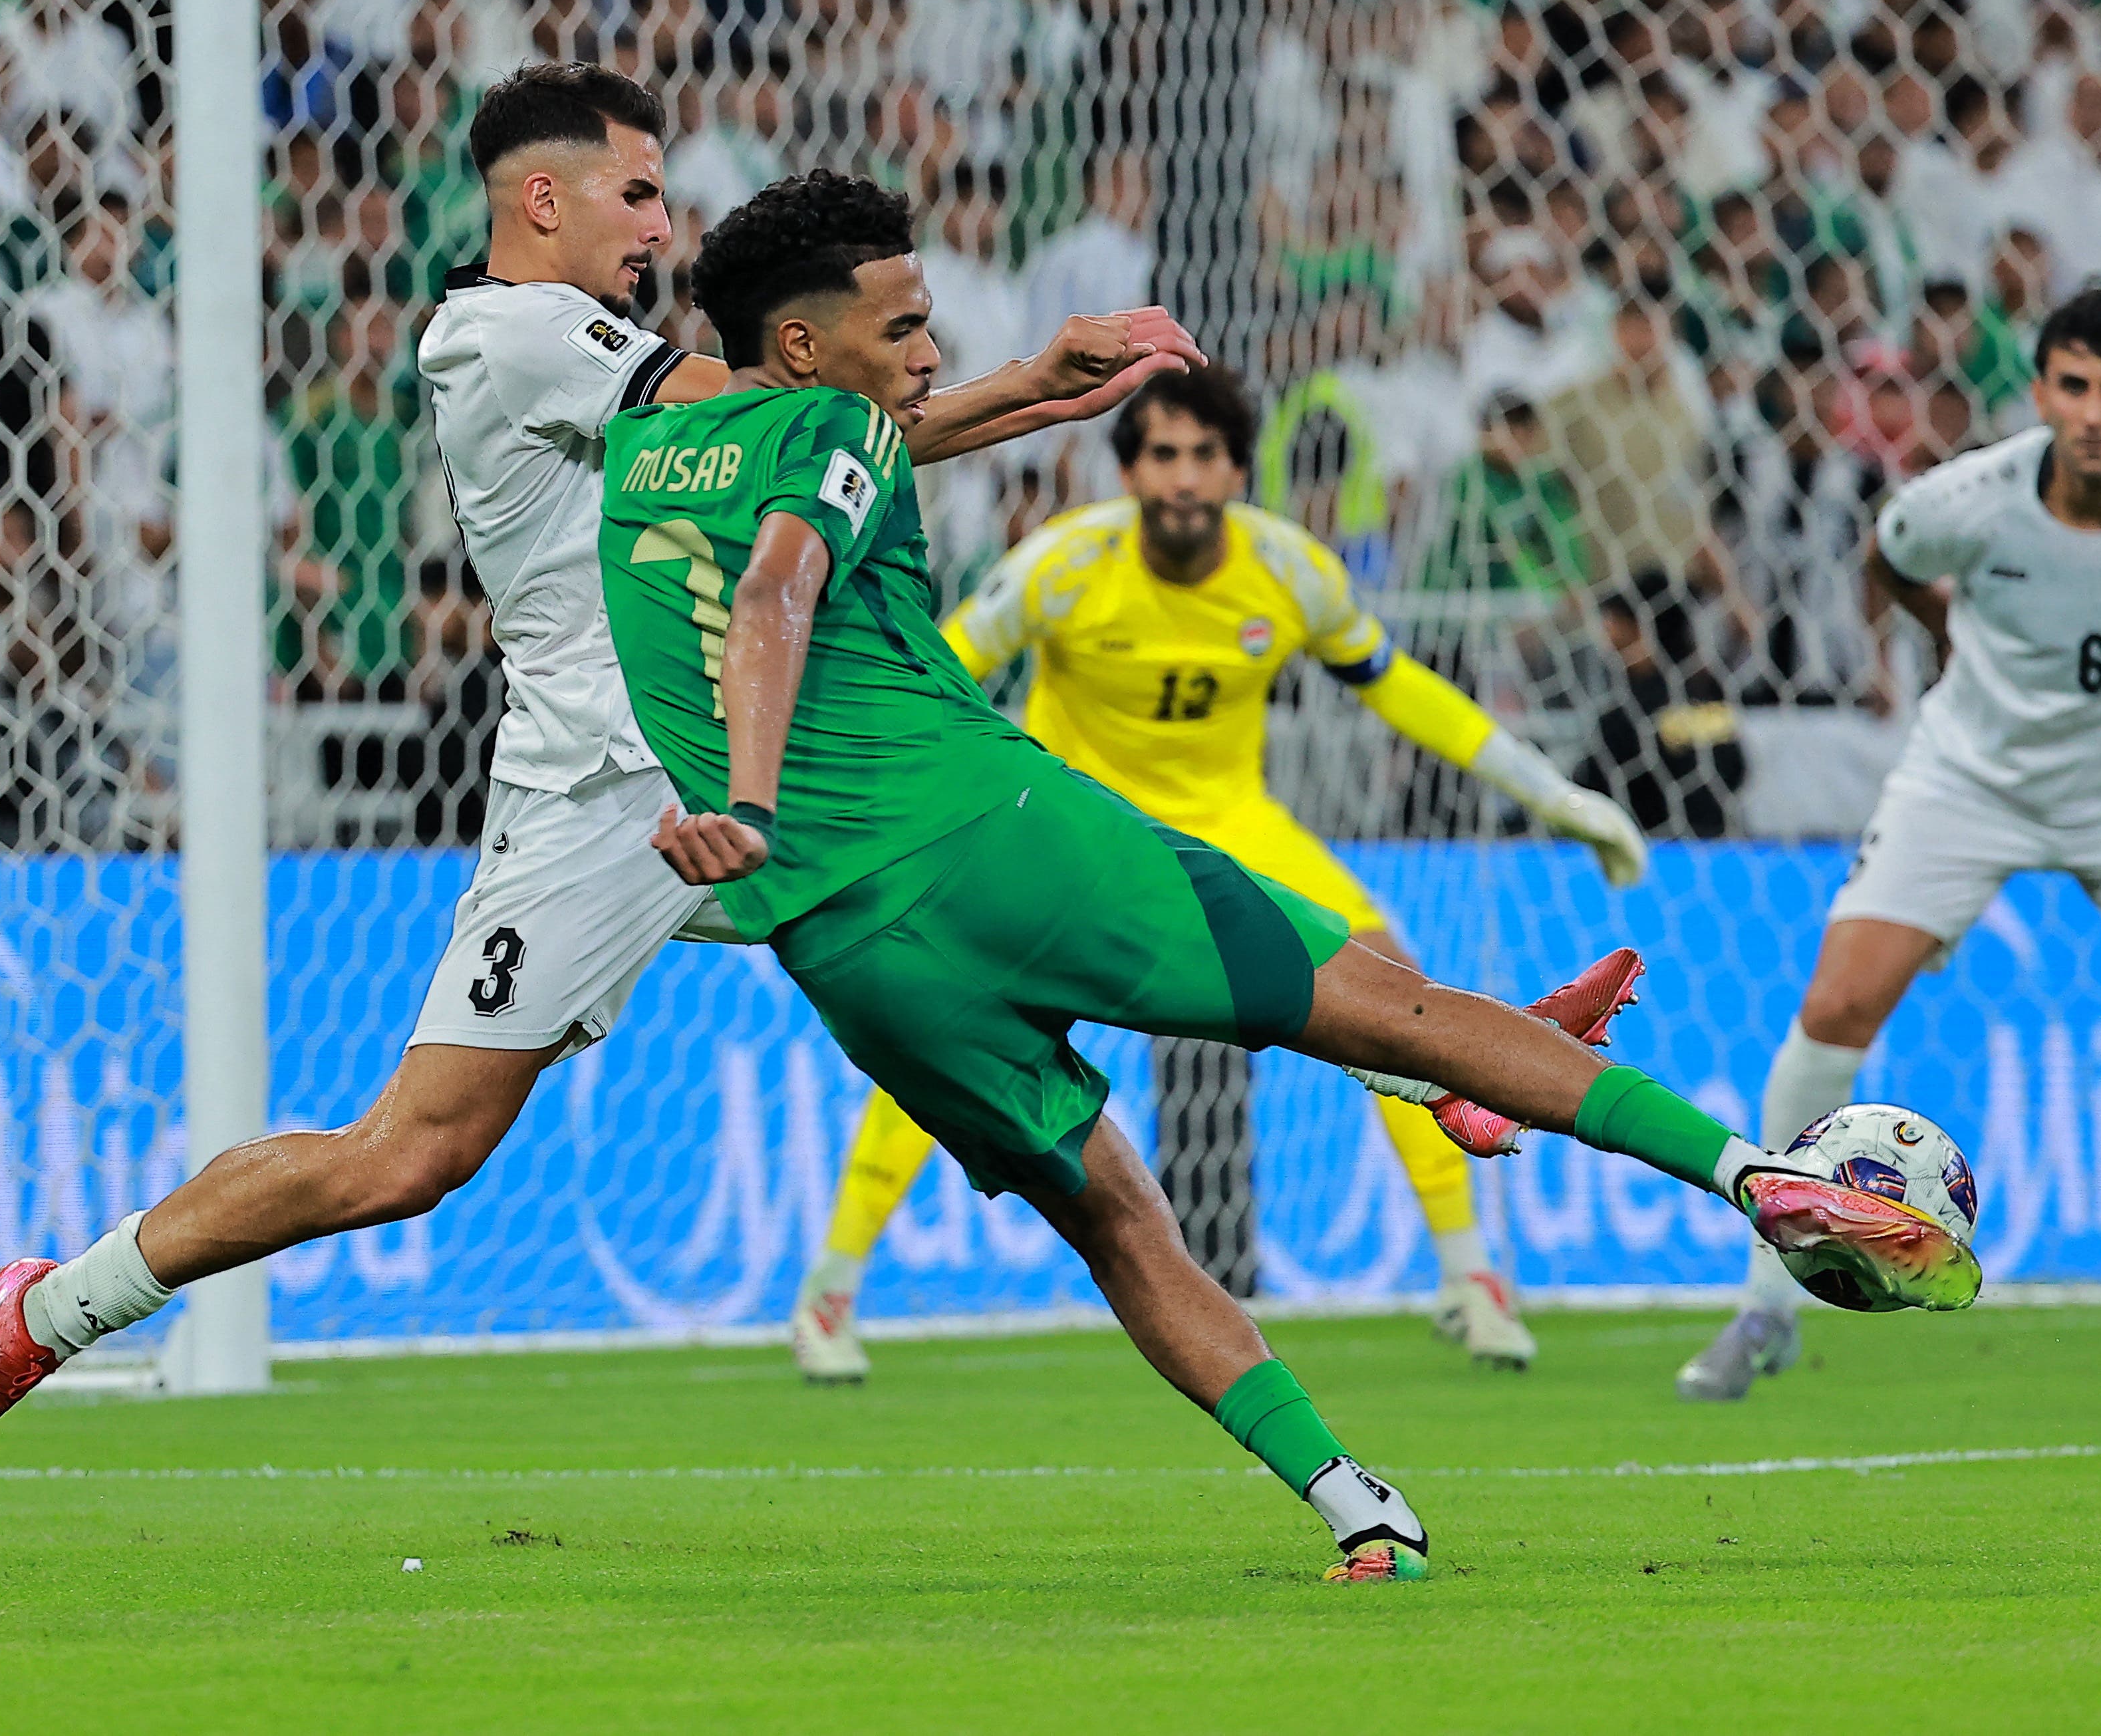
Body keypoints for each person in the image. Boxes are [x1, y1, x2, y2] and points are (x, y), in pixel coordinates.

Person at [598, 172, 1975, 1582]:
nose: (926, 352)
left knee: (1116, 1216)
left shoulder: (643, 439)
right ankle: (1750, 1175)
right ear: (810, 348)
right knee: (1394, 1007)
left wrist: (1029, 390)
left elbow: (837, 459)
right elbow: (781, 581)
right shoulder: (853, 435)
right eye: (902, 327)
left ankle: (1352, 1499)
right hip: (999, 835)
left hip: (848, 948)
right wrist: (746, 803)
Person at [0, 64, 1204, 1489]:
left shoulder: (598, 334)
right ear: (542, 198)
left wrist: (1028, 393)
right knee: (404, 1156)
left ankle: (1393, 1046)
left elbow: (828, 436)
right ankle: (46, 1313)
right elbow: (806, 414)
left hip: (750, 770)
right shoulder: (506, 335)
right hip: (605, 799)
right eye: (635, 192)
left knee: (1016, 894)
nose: (660, 224)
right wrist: (1020, 387)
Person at [785, 363, 1647, 1381]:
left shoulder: (1287, 568)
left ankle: (1471, 1279)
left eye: (1204, 455)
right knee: (948, 1026)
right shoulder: (1060, 566)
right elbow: (935, 671)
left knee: (1401, 995)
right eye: (1161, 454)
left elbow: (1400, 686)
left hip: (1235, 823)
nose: (1183, 477)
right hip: (1073, 826)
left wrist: (1550, 792)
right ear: (1127, 469)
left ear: (1239, 469)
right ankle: (830, 1292)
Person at [1674, 289, 2101, 1405]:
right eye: (2071, 386)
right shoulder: (1965, 499)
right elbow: (1894, 558)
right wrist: (1956, 644)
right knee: (1837, 1003)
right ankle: (1763, 1304)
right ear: (2041, 391)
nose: (2092, 411)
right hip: (1967, 780)